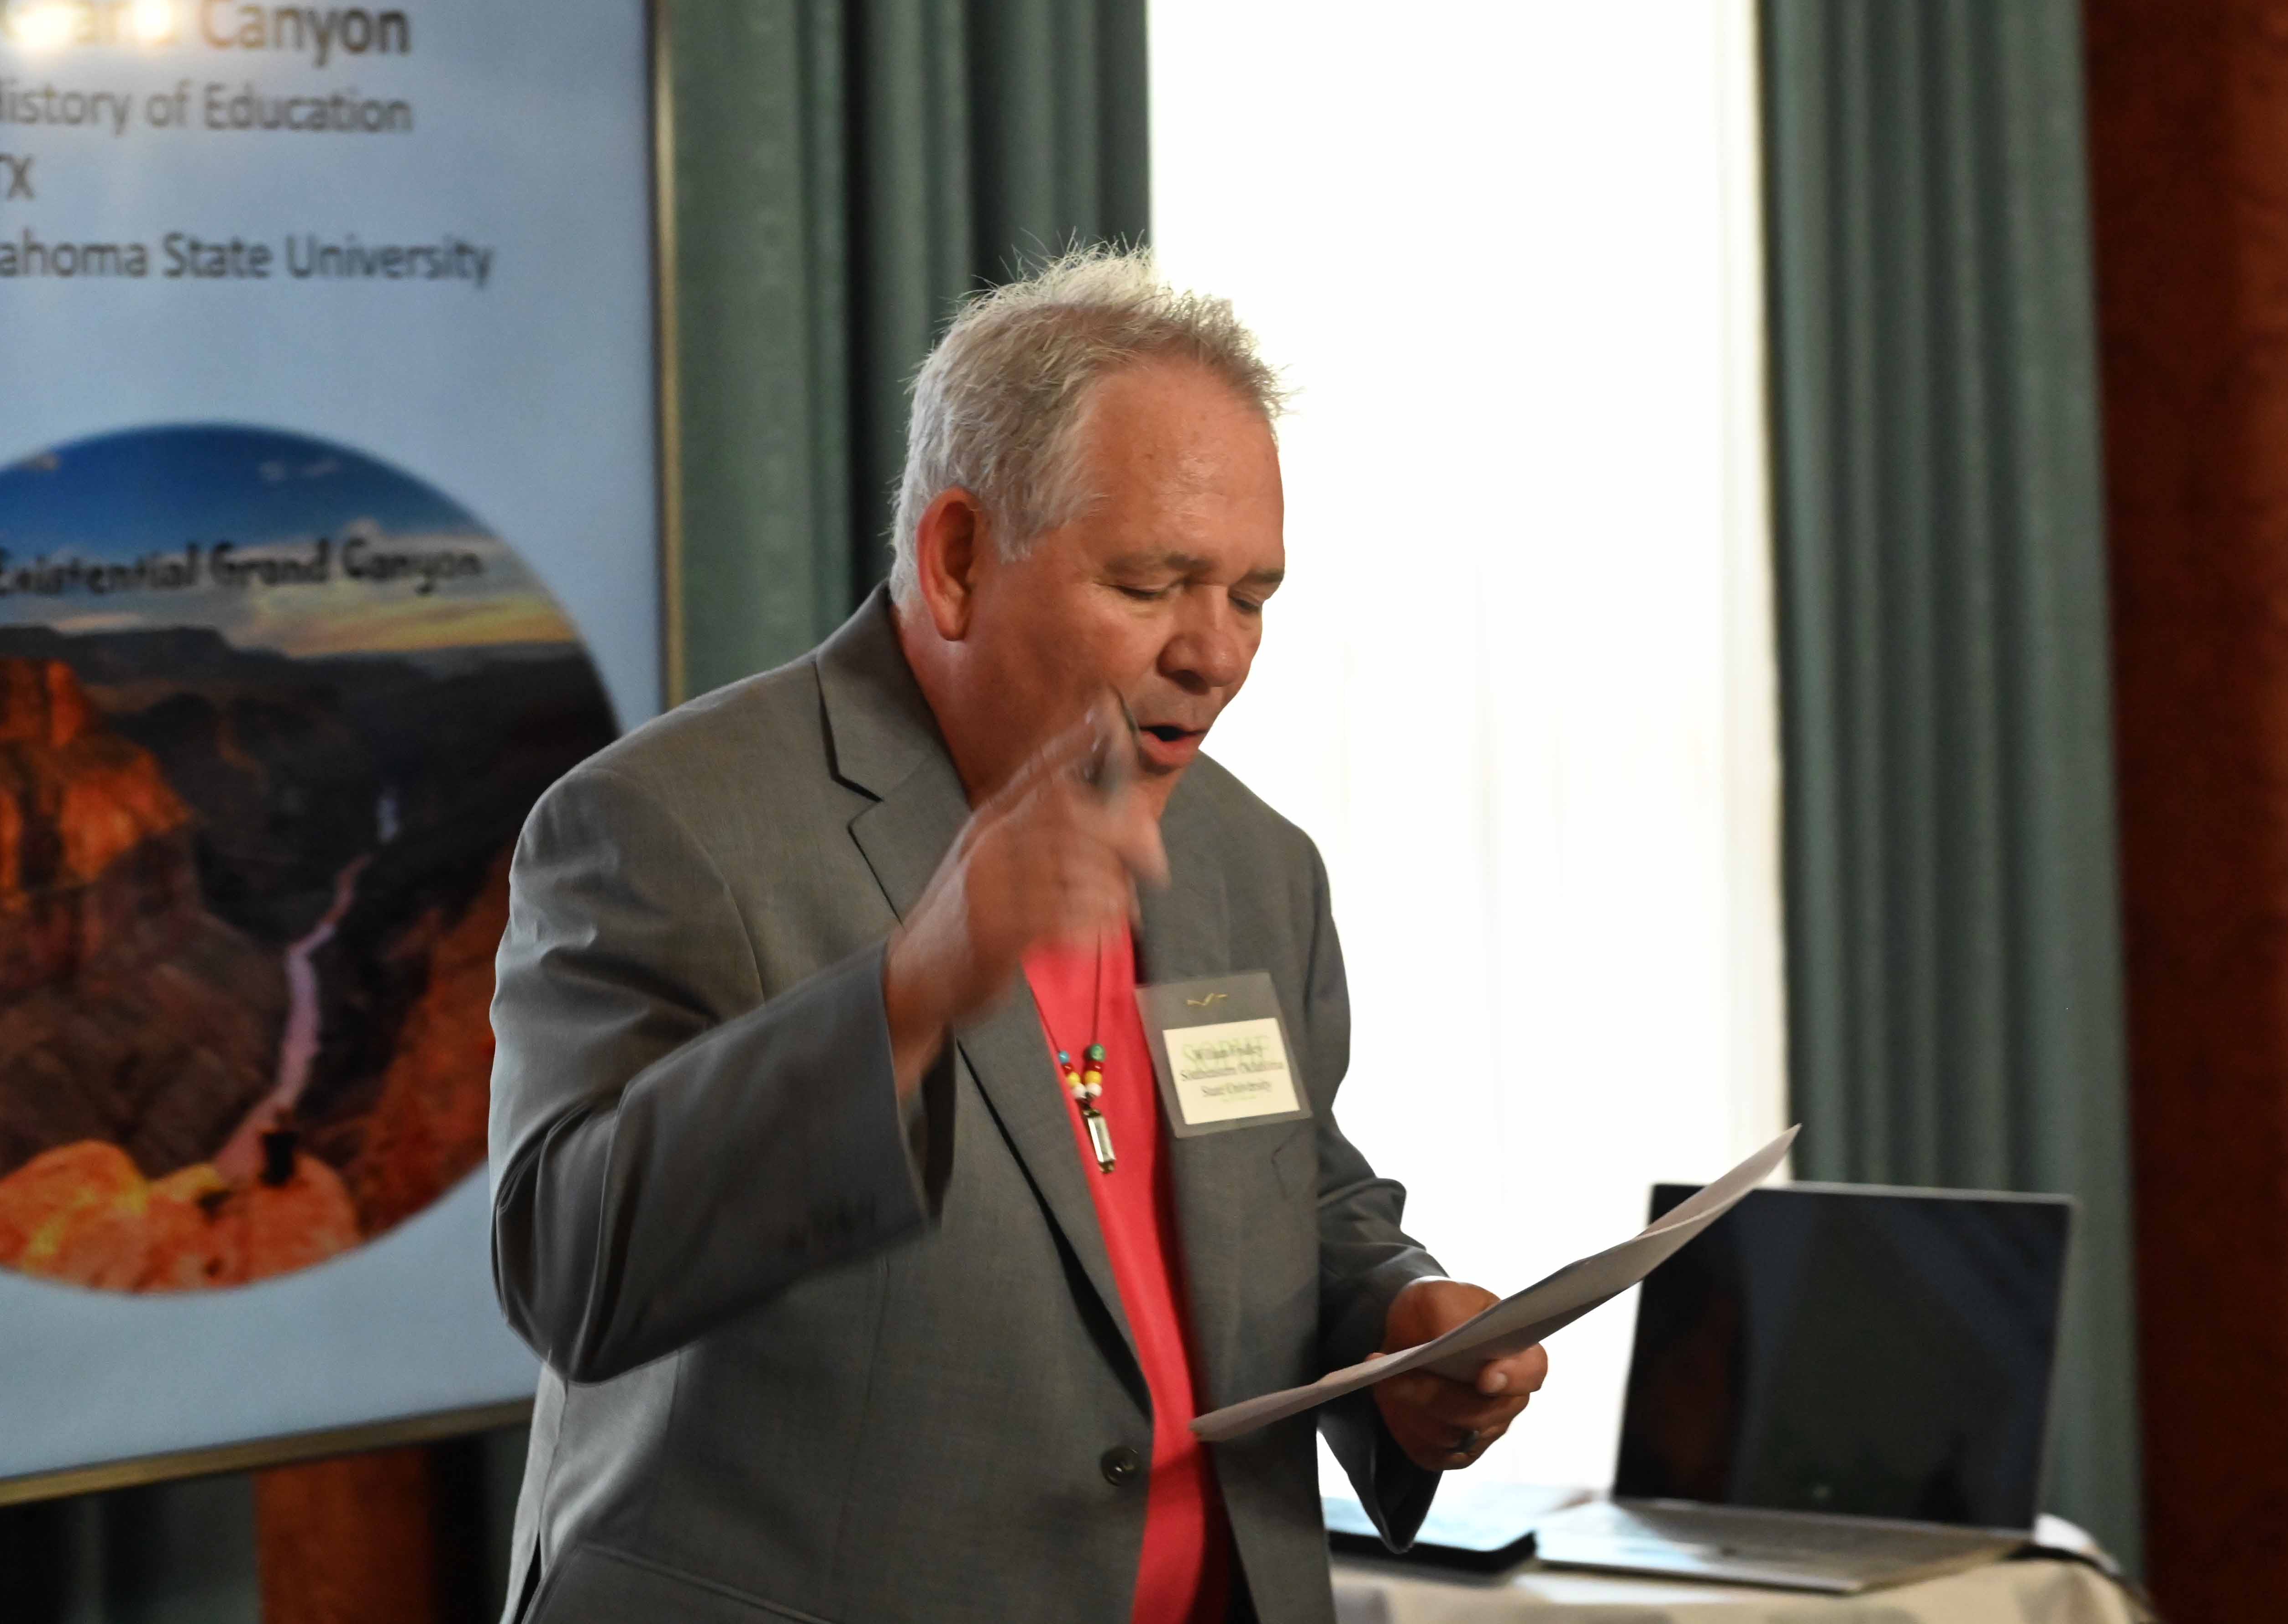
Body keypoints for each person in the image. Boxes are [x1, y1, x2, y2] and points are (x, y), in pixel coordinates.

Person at [487, 247, 1547, 1624]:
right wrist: (911, 993)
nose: (1217, 654)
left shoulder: (1255, 861)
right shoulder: (668, 823)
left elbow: (1289, 1187)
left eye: (1251, 596)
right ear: (958, 559)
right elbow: (571, 1277)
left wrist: (1396, 1322)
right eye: (1154, 583)